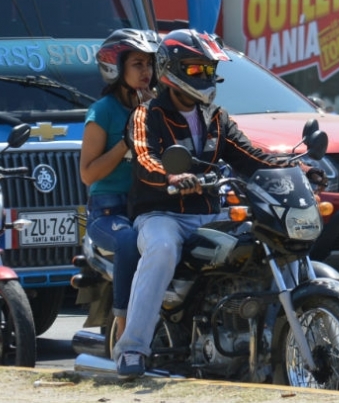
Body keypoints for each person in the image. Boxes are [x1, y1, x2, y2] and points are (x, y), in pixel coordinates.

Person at [111, 29, 319, 379]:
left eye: (208, 70)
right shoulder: (147, 115)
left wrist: (299, 169)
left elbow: (252, 157)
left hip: (212, 214)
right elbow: (146, 158)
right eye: (195, 70)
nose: (205, 77)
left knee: (269, 239)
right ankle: (131, 348)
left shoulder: (216, 118)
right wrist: (171, 178)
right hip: (162, 215)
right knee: (161, 249)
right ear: (170, 69)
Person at [79, 28, 160, 343]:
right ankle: (126, 330)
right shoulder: (103, 112)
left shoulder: (153, 108)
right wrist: (125, 144)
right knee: (129, 242)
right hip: (107, 213)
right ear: (117, 68)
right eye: (137, 64)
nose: (146, 71)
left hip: (145, 206)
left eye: (149, 64)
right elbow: (88, 174)